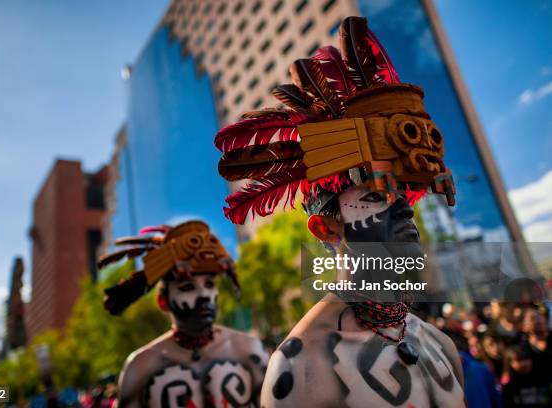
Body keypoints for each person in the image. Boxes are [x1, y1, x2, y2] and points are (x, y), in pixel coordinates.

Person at [214, 16, 464, 407]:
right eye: (376, 196)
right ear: (326, 228)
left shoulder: (441, 346)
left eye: (405, 195)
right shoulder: (301, 368)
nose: (402, 212)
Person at [98, 221, 269, 408]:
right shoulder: (140, 367)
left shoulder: (249, 351)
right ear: (163, 301)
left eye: (210, 284)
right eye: (187, 287)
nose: (204, 295)